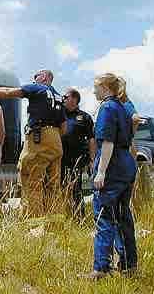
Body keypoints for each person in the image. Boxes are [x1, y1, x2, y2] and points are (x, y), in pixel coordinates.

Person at [0, 69, 67, 217]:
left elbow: (7, 92)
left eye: (35, 77)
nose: (33, 80)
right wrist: (52, 137)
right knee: (53, 184)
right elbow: (64, 127)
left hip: (39, 136)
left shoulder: (37, 87)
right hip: (56, 140)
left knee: (31, 179)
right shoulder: (59, 97)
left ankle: (34, 225)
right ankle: (55, 222)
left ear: (43, 77)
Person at [81, 73, 138, 280]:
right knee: (123, 217)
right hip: (126, 165)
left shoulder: (106, 108)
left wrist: (101, 171)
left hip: (112, 166)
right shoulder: (123, 107)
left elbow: (107, 142)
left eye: (96, 87)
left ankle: (101, 269)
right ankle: (128, 265)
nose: (94, 91)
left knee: (104, 216)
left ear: (105, 87)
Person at [60, 88, 96, 218]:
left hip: (76, 159)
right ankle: (62, 217)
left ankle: (78, 218)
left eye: (66, 97)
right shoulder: (59, 114)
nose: (63, 99)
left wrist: (92, 159)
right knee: (59, 187)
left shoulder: (85, 117)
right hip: (59, 158)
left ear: (74, 99)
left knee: (75, 188)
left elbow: (92, 139)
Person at [117, 77, 141, 159]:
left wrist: (130, 136)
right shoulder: (124, 102)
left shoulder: (124, 103)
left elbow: (136, 119)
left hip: (124, 149)